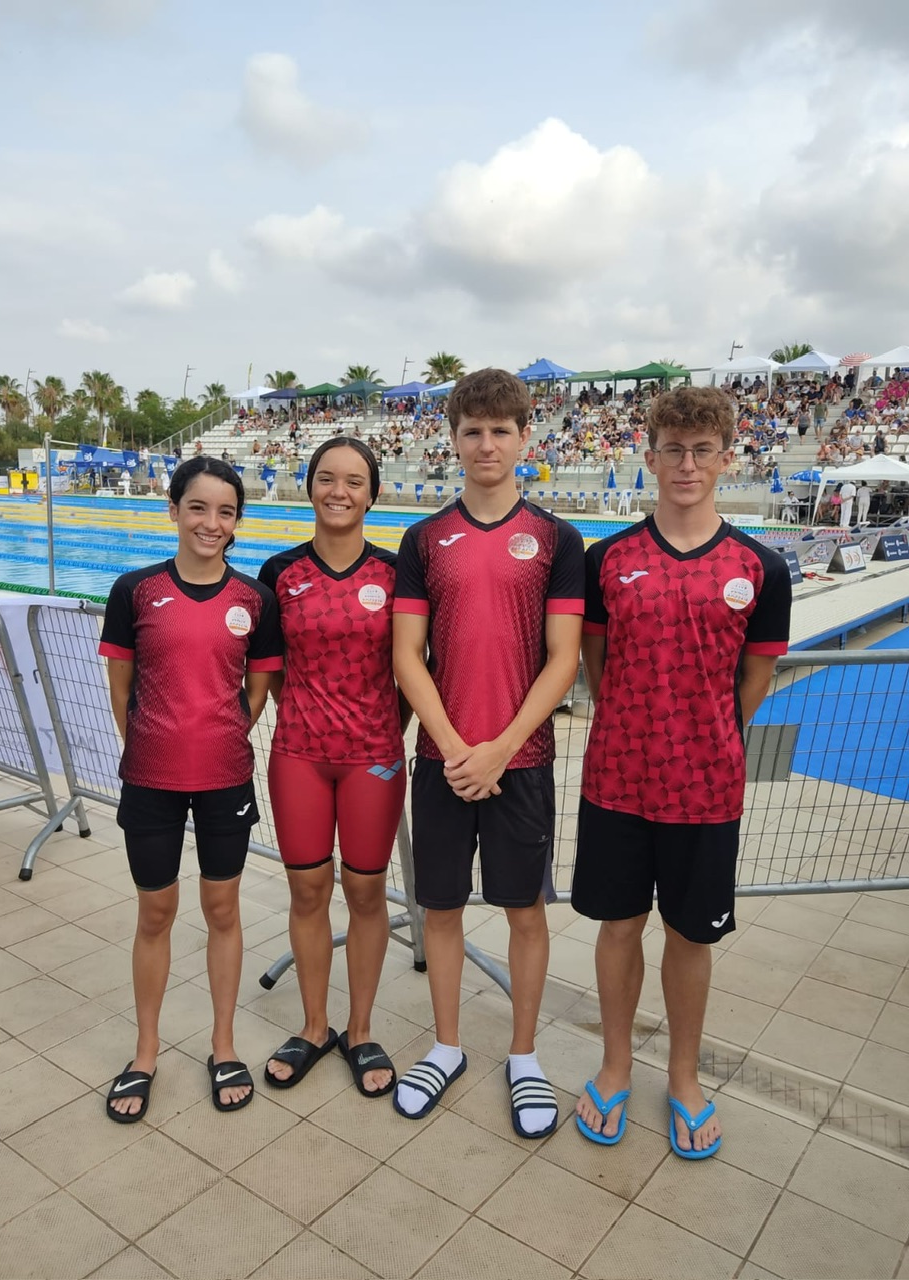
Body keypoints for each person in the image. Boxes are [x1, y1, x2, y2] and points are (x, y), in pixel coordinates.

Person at [571, 385, 790, 1159]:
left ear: (727, 458)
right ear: (650, 455)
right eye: (672, 448)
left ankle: (686, 1077)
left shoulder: (760, 567)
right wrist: (636, 719)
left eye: (702, 450)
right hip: (617, 782)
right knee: (618, 925)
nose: (686, 463)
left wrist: (703, 734)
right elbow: (595, 661)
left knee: (691, 936)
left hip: (706, 787)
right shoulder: (610, 560)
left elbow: (755, 678)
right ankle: (615, 1064)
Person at [392, 368, 584, 1138]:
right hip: (443, 762)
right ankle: (445, 1046)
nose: (486, 443)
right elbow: (409, 655)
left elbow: (564, 659)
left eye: (501, 430)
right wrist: (452, 748)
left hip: (522, 762)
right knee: (439, 909)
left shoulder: (558, 540)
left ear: (525, 439)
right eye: (472, 430)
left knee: (524, 912)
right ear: (453, 440)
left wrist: (500, 750)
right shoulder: (423, 538)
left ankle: (525, 1056)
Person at [99, 456, 282, 1122]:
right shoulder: (136, 591)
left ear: (237, 521)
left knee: (224, 911)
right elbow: (120, 689)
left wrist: (216, 734)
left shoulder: (253, 601)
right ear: (173, 511)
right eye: (198, 508)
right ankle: (145, 1051)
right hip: (149, 779)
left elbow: (259, 691)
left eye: (225, 511)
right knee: (155, 914)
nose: (211, 522)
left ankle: (223, 1043)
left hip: (224, 778)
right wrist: (151, 741)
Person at [259, 439, 407, 1097]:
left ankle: (364, 1026)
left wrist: (381, 733)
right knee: (308, 890)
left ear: (372, 493)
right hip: (299, 754)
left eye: (353, 481)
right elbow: (266, 668)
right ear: (309, 487)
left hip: (373, 757)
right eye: (325, 478)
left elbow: (416, 669)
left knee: (366, 892)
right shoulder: (280, 572)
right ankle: (316, 1026)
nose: (338, 491)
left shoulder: (398, 575)